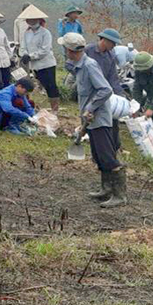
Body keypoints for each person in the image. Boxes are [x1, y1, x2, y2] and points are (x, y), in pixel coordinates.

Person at [59, 32, 126, 207]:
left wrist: (90, 108)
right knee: (98, 156)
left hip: (99, 118)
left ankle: (120, 196)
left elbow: (105, 89)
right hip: (90, 119)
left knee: (107, 156)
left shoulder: (89, 65)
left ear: (70, 50)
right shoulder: (80, 66)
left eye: (65, 49)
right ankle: (106, 189)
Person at [17, 5, 60, 112]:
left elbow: (45, 50)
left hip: (47, 64)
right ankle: (28, 107)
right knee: (35, 85)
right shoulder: (27, 33)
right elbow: (23, 47)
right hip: (34, 66)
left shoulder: (45, 33)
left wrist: (31, 56)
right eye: (29, 20)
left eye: (33, 19)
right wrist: (24, 54)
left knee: (51, 87)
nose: (31, 21)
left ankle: (55, 110)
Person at [84, 28, 126, 96]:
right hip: (85, 86)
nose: (114, 45)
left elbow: (113, 78)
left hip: (100, 89)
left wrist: (121, 95)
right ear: (105, 40)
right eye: (113, 43)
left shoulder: (111, 56)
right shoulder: (88, 50)